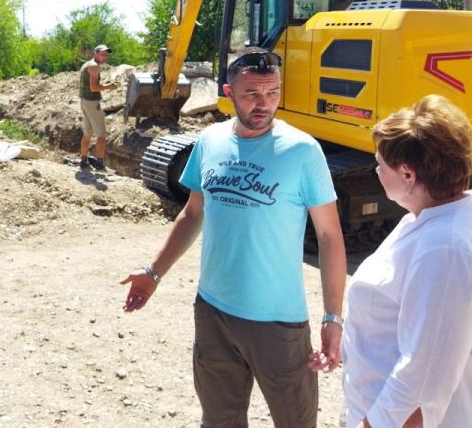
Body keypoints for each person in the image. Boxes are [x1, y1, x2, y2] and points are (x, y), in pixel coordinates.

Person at [121, 47, 347, 428]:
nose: (264, 104)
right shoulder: (210, 141)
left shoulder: (303, 151)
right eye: (252, 94)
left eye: (273, 92)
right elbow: (193, 213)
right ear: (228, 92)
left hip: (277, 322)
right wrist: (154, 272)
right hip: (213, 312)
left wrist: (332, 316)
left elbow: (329, 236)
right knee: (219, 420)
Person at [342, 95, 472, 428]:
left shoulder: (446, 249)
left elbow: (423, 380)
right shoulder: (441, 218)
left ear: (408, 174)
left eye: (380, 164)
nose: (375, 171)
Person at [79, 44, 117, 170]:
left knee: (87, 133)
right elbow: (94, 87)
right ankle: (100, 164)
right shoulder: (94, 66)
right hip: (92, 103)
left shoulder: (87, 64)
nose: (105, 57)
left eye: (106, 54)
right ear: (95, 53)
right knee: (101, 135)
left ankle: (84, 161)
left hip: (84, 102)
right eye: (102, 54)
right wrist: (109, 86)